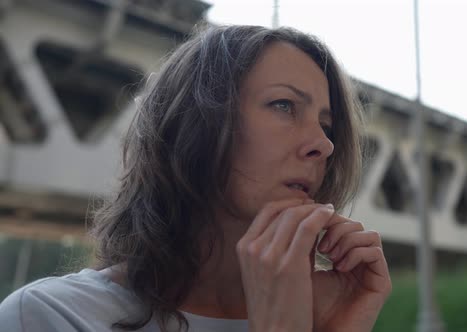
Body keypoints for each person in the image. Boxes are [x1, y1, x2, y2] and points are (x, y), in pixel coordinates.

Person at [0, 25, 392, 331]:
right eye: (284, 105)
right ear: (195, 125)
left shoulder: (327, 314)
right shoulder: (51, 317)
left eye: (326, 124)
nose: (323, 144)